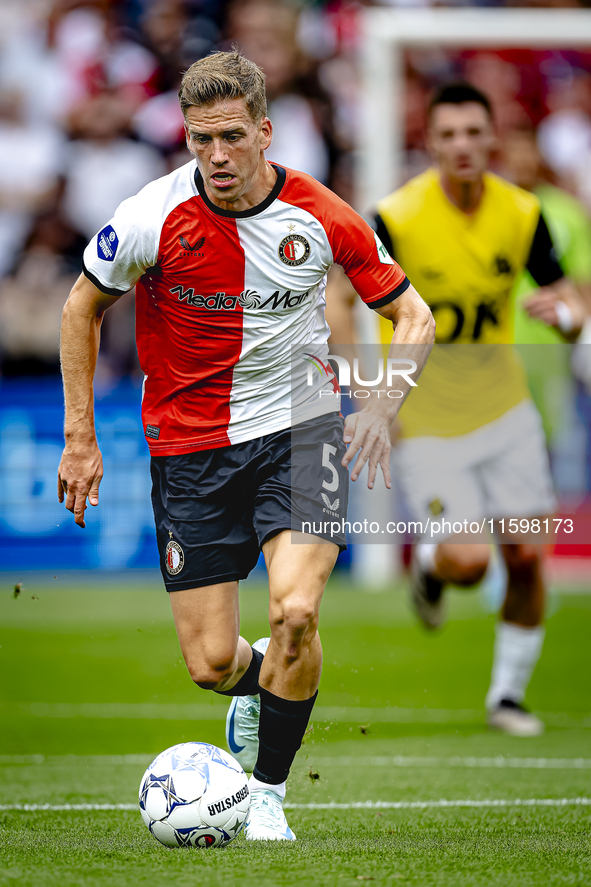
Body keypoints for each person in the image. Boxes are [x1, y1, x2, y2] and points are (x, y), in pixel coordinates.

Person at [57, 51, 434, 840]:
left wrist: (377, 403)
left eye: (231, 137)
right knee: (212, 664)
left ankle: (266, 795)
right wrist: (80, 438)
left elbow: (414, 317)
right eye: (200, 140)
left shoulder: (321, 214)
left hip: (301, 431)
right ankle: (272, 679)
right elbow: (78, 310)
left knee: (297, 610)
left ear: (264, 131)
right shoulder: (150, 215)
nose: (217, 157)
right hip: (189, 449)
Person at [326, 82, 586, 738]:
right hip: (425, 418)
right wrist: (366, 392)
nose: (462, 146)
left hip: (504, 408)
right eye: (447, 135)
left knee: (526, 556)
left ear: (491, 136)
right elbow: (337, 299)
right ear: (429, 143)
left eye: (473, 132)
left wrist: (566, 317)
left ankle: (506, 695)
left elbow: (566, 300)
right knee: (469, 560)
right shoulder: (396, 217)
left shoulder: (521, 214)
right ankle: (430, 572)